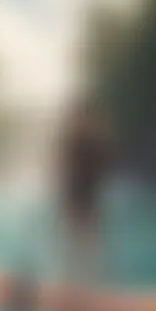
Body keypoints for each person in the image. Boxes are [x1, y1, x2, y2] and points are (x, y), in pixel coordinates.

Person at [56, 96, 114, 288]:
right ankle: (72, 282)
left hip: (87, 194)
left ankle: (92, 283)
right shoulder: (76, 138)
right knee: (75, 240)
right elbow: (63, 168)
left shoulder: (91, 138)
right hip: (75, 194)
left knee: (89, 240)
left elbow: (104, 165)